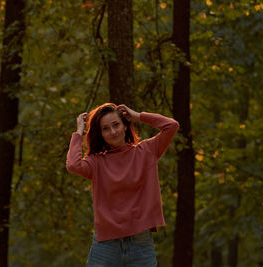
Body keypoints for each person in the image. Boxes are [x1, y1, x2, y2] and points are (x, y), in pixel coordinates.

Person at [66, 103, 179, 266]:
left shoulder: (147, 151)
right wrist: (79, 132)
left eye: (116, 125)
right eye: (106, 129)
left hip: (141, 243)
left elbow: (172, 126)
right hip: (106, 245)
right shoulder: (97, 163)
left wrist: (138, 116)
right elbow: (73, 165)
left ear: (125, 126)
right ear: (101, 134)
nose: (113, 132)